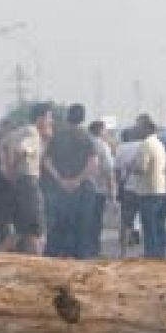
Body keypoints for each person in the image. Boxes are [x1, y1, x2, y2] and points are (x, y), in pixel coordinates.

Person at [43, 103, 100, 259]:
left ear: (68, 116)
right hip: (83, 188)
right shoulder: (87, 137)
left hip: (59, 188)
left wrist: (61, 180)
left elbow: (47, 161)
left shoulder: (57, 136)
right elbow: (93, 163)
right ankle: (81, 262)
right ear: (83, 117)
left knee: (60, 226)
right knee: (82, 228)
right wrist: (77, 180)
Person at [0, 102, 54, 253]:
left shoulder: (18, 131)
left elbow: (0, 146)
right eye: (49, 117)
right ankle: (37, 265)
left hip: (18, 184)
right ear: (41, 118)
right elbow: (21, 150)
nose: (51, 121)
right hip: (29, 182)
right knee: (36, 231)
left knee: (23, 230)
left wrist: (5, 168)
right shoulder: (32, 132)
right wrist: (11, 167)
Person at [128, 115, 166, 258]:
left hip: (148, 190)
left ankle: (152, 254)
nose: (135, 129)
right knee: (158, 225)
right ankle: (161, 252)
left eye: (138, 126)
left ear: (147, 129)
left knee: (150, 225)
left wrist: (131, 167)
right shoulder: (159, 144)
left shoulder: (145, 144)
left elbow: (142, 168)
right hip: (160, 189)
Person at [89, 120, 118, 256]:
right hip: (98, 189)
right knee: (95, 221)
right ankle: (94, 249)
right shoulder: (102, 145)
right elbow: (109, 170)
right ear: (100, 131)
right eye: (105, 130)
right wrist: (112, 191)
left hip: (78, 187)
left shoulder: (85, 142)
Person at [114, 127, 144, 254]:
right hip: (143, 188)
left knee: (125, 220)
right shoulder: (143, 146)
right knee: (145, 218)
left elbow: (116, 170)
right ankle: (145, 250)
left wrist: (119, 183)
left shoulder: (121, 148)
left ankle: (123, 252)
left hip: (127, 188)